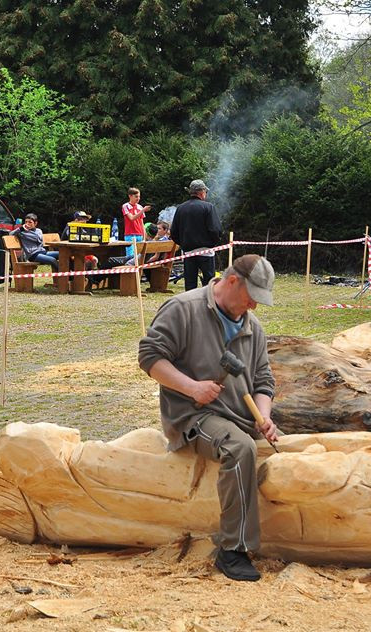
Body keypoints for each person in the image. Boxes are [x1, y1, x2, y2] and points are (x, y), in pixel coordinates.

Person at [138, 254, 278, 582]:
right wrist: (192, 388)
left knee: (283, 451)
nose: (254, 307)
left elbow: (263, 382)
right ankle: (233, 550)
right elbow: (149, 357)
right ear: (232, 281)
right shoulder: (183, 309)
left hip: (241, 417)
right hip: (193, 415)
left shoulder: (251, 327)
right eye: (251, 297)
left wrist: (265, 416)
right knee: (240, 448)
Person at [170, 179, 222, 291]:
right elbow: (215, 229)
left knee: (190, 283)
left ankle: (189, 306)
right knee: (209, 283)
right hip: (206, 251)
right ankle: (208, 305)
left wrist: (183, 243)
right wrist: (213, 243)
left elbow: (173, 231)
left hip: (188, 251)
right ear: (202, 192)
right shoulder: (208, 207)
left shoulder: (181, 208)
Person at [123, 187, 152, 258]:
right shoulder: (125, 206)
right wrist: (143, 211)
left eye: (139, 196)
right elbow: (131, 218)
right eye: (136, 196)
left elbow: (141, 223)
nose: (138, 198)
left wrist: (144, 237)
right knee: (131, 257)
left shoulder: (140, 207)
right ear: (130, 196)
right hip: (130, 235)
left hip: (139, 235)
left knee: (140, 257)